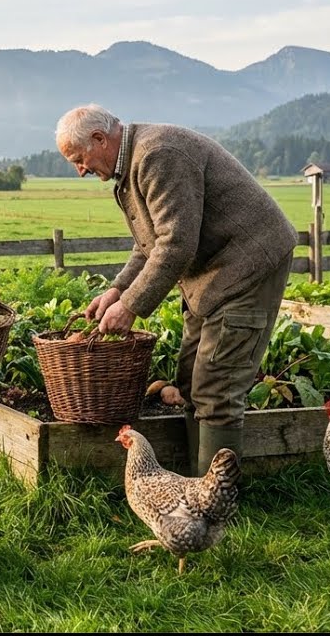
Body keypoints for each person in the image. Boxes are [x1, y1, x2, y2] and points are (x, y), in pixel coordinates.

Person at [54, 103, 296, 476]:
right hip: (213, 272)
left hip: (247, 265)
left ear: (100, 139)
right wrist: (117, 291)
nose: (80, 170)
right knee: (188, 380)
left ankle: (215, 503)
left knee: (216, 386)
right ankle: (193, 487)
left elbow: (176, 244)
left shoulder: (158, 155)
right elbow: (150, 243)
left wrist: (131, 306)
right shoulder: (131, 165)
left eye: (79, 158)